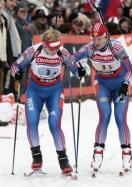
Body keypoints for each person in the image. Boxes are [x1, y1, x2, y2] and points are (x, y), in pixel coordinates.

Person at [11, 29, 86, 174]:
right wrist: (17, 74)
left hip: (55, 91)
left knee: (54, 124)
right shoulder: (33, 51)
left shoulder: (62, 52)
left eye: (57, 47)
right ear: (44, 44)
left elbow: (74, 67)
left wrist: (79, 71)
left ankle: (63, 159)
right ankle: (36, 157)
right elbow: (15, 66)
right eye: (52, 48)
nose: (55, 50)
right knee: (32, 121)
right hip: (34, 90)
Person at [67, 22, 132, 172]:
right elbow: (70, 59)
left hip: (119, 85)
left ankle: (127, 154)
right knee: (104, 116)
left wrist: (126, 82)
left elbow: (130, 68)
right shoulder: (89, 48)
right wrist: (78, 69)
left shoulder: (116, 48)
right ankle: (97, 154)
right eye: (93, 38)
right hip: (102, 85)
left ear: (107, 37)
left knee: (119, 117)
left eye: (99, 39)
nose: (95, 42)